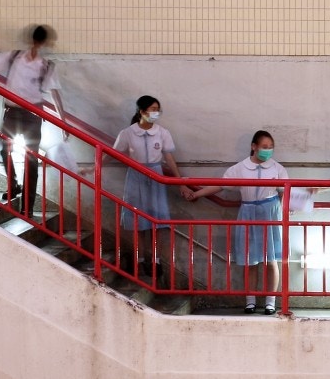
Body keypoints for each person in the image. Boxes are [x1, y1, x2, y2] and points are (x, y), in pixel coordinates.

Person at [184, 130, 287, 315]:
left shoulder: (277, 168)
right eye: (264, 147)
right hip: (248, 212)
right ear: (253, 147)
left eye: (271, 147)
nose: (268, 150)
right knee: (250, 259)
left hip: (270, 213)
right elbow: (221, 184)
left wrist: (291, 208)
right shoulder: (240, 168)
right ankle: (250, 300)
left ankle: (271, 301)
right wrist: (197, 193)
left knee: (271, 259)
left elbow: (285, 192)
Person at [0, 25, 65, 216]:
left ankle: (28, 207)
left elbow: (54, 94)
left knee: (31, 160)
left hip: (32, 115)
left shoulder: (46, 65)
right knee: (4, 148)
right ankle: (15, 184)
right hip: (12, 111)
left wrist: (63, 122)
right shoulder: (15, 56)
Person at [111, 96, 179, 278]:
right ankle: (139, 261)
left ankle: (155, 261)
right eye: (152, 109)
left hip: (156, 177)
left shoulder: (163, 132)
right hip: (136, 176)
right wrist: (94, 168)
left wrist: (180, 182)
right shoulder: (128, 133)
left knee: (155, 222)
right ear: (141, 112)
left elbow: (169, 158)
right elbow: (112, 153)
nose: (155, 113)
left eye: (158, 109)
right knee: (137, 222)